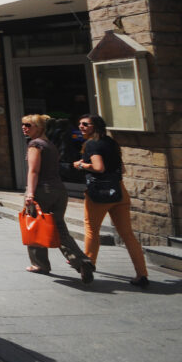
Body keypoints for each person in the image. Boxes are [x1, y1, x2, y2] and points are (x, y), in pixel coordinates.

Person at [74, 115, 149, 287]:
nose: (81, 126)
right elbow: (122, 168)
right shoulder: (112, 143)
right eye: (79, 124)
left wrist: (81, 165)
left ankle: (88, 265)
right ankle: (142, 274)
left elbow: (99, 168)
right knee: (128, 235)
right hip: (119, 192)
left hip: (99, 194)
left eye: (85, 124)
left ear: (95, 126)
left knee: (92, 230)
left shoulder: (92, 144)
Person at [22, 114, 94, 283]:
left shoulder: (35, 144)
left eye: (28, 125)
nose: (24, 127)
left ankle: (39, 264)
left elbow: (33, 171)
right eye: (23, 125)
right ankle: (82, 261)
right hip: (59, 190)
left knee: (35, 226)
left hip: (42, 190)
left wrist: (30, 193)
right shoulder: (50, 144)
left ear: (39, 128)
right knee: (59, 228)